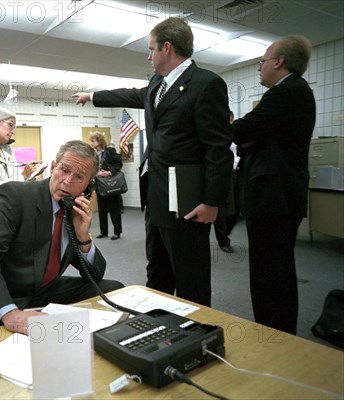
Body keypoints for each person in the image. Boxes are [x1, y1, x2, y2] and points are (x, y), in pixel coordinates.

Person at [72, 17, 233, 306]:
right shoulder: (158, 83)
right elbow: (132, 94)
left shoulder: (206, 84)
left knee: (189, 276)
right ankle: (158, 326)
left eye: (151, 49)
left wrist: (213, 201)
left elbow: (218, 149)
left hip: (187, 199)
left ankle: (195, 337)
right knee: (157, 270)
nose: (148, 56)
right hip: (157, 195)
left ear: (167, 48)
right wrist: (93, 96)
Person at [0, 140, 125, 336]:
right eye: (64, 170)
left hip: (42, 291)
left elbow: (94, 276)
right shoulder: (14, 196)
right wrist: (9, 313)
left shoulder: (74, 209)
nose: (67, 181)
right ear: (53, 167)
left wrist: (83, 237)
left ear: (89, 185)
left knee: (113, 290)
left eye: (79, 176)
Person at [232, 35, 315, 335]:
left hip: (273, 199)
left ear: (279, 62)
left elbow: (242, 131)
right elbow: (252, 136)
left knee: (270, 272)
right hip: (277, 198)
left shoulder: (287, 92)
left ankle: (275, 334)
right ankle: (276, 330)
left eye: (263, 61)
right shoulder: (293, 93)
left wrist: (240, 132)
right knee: (273, 269)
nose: (260, 67)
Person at [213, 111, 239, 253]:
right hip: (224, 173)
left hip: (237, 173)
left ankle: (225, 233)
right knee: (222, 211)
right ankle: (223, 241)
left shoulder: (238, 132)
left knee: (237, 209)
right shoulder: (217, 134)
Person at [90, 132, 123, 240]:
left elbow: (118, 164)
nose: (91, 143)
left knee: (114, 209)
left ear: (99, 141)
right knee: (102, 209)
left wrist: (109, 172)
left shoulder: (110, 151)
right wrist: (95, 173)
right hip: (100, 185)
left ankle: (117, 232)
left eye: (93, 140)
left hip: (111, 184)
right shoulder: (93, 154)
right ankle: (103, 232)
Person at [107, 142, 124, 213]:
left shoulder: (118, 156)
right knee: (108, 192)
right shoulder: (106, 156)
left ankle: (120, 208)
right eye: (109, 148)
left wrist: (111, 171)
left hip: (115, 176)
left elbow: (119, 165)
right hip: (107, 177)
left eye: (112, 148)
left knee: (117, 193)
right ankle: (109, 208)